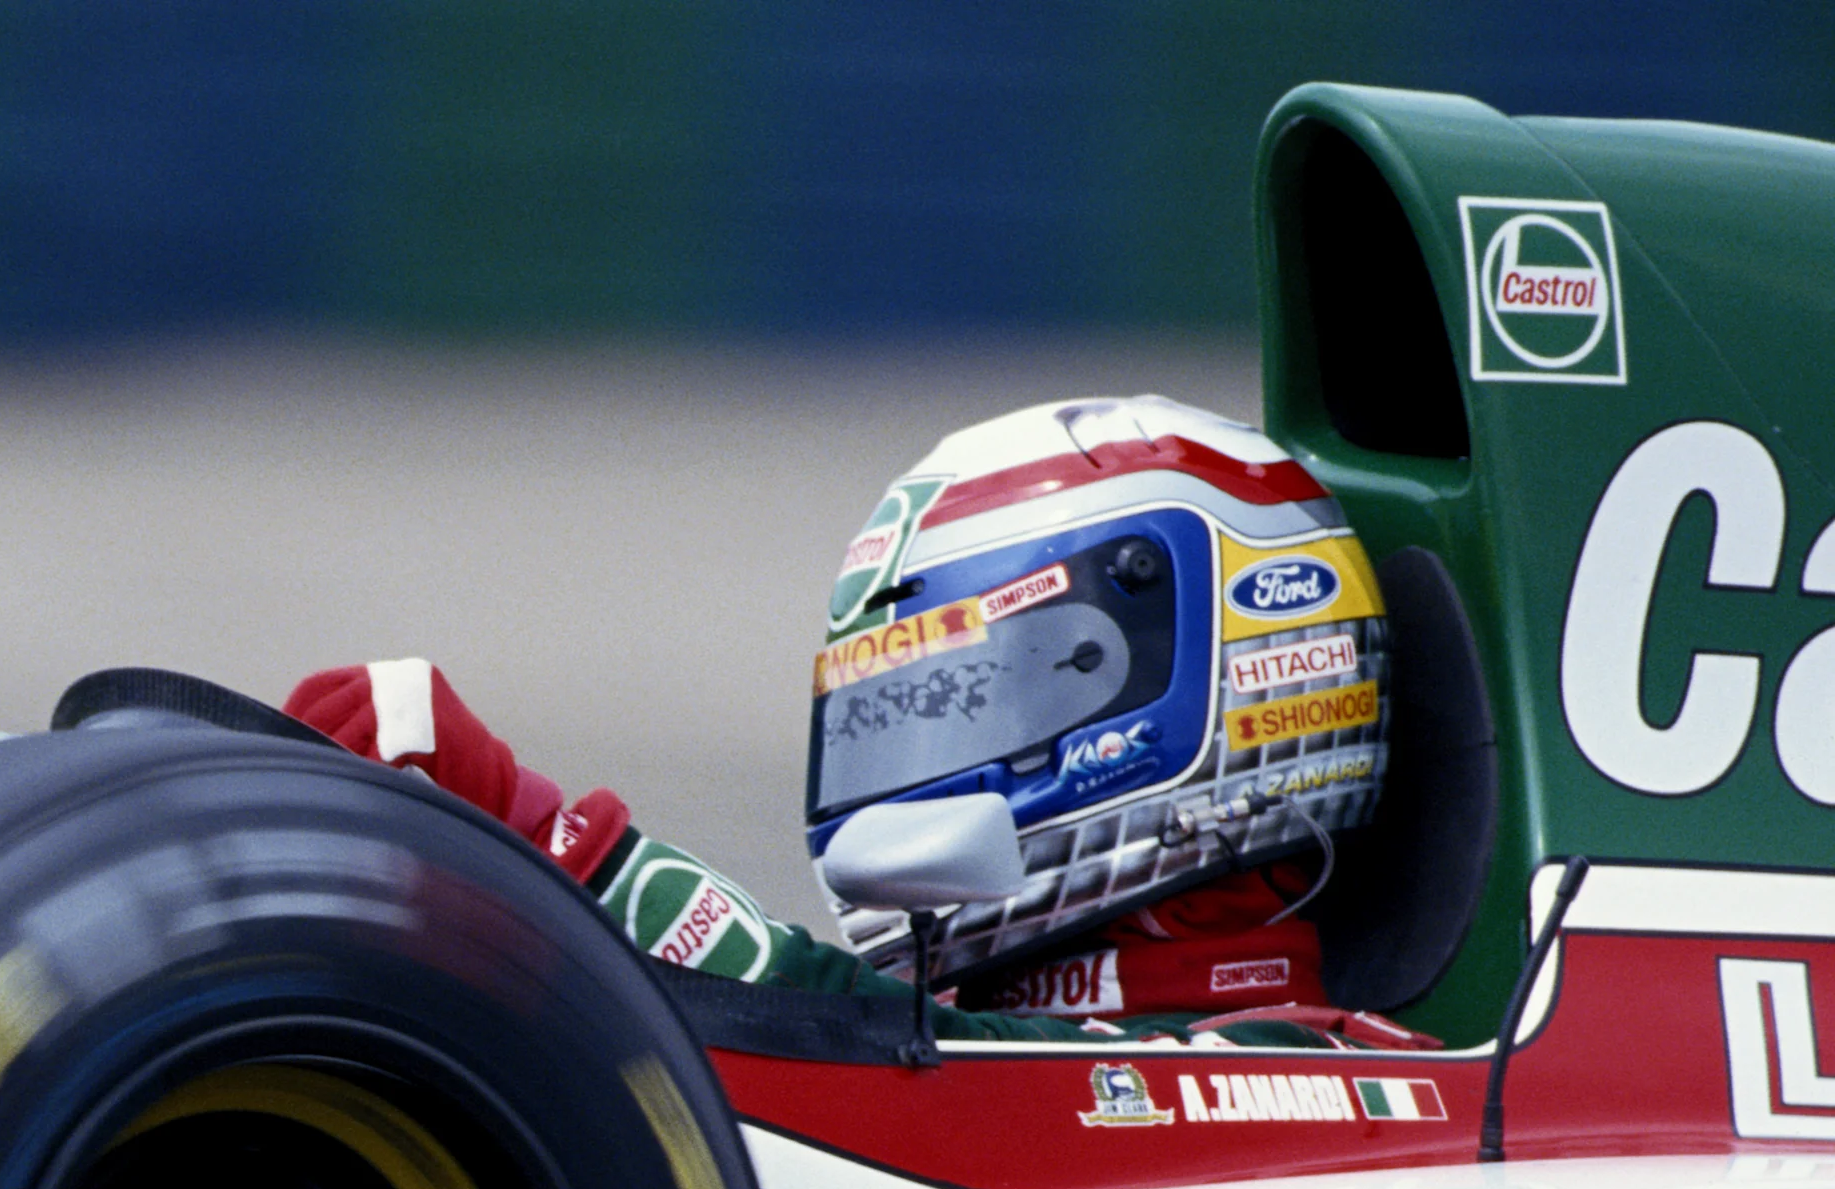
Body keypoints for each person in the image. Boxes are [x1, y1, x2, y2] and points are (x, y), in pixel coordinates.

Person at [286, 396, 1439, 1051]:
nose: (918, 774)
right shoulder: (964, 1040)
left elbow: (896, 1051)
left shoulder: (1315, 1069)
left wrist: (546, 836)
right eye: (894, 716)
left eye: (976, 698)